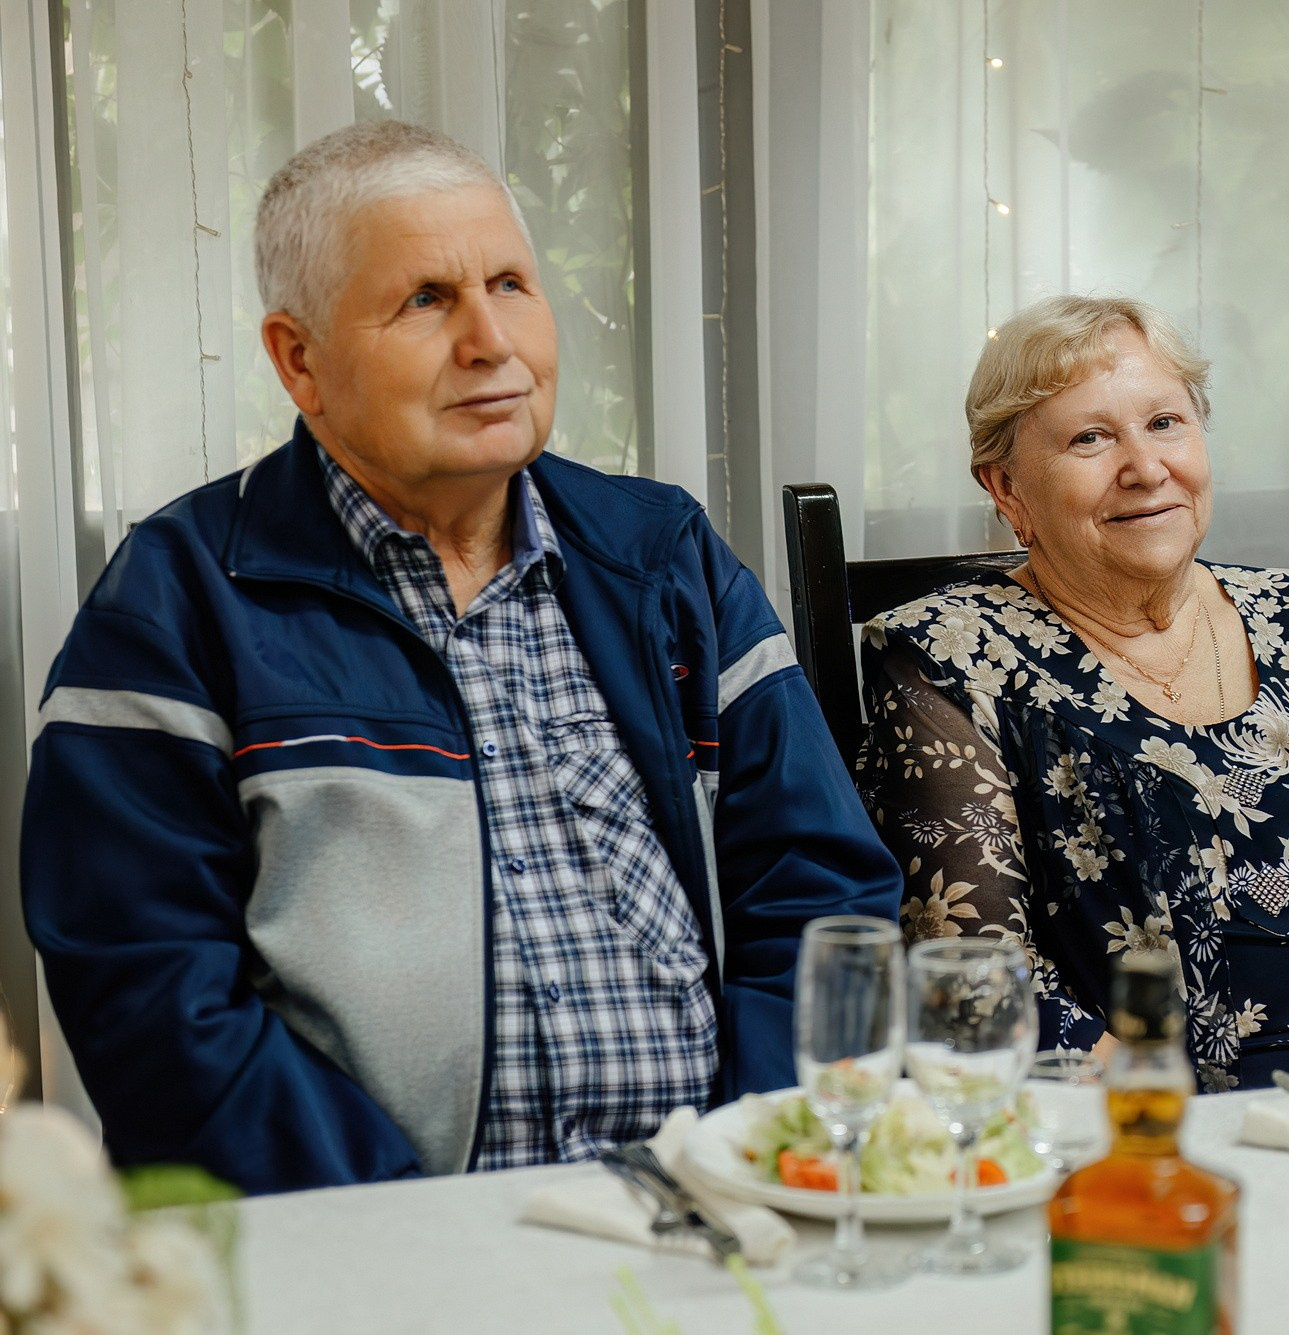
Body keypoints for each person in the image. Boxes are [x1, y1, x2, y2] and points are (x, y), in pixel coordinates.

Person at [21, 121, 899, 1195]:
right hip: (374, 1248)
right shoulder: (175, 598)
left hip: (713, 1217)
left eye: (511, 285)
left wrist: (751, 1158)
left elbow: (823, 893)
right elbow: (151, 995)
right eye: (426, 299)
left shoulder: (659, 555)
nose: (492, 341)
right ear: (301, 360)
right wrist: (408, 1231)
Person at [854, 295, 1289, 1093]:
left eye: (1165, 422)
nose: (1145, 466)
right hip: (1141, 1140)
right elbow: (978, 986)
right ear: (1007, 488)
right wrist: (1187, 1141)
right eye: (1090, 437)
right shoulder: (946, 657)